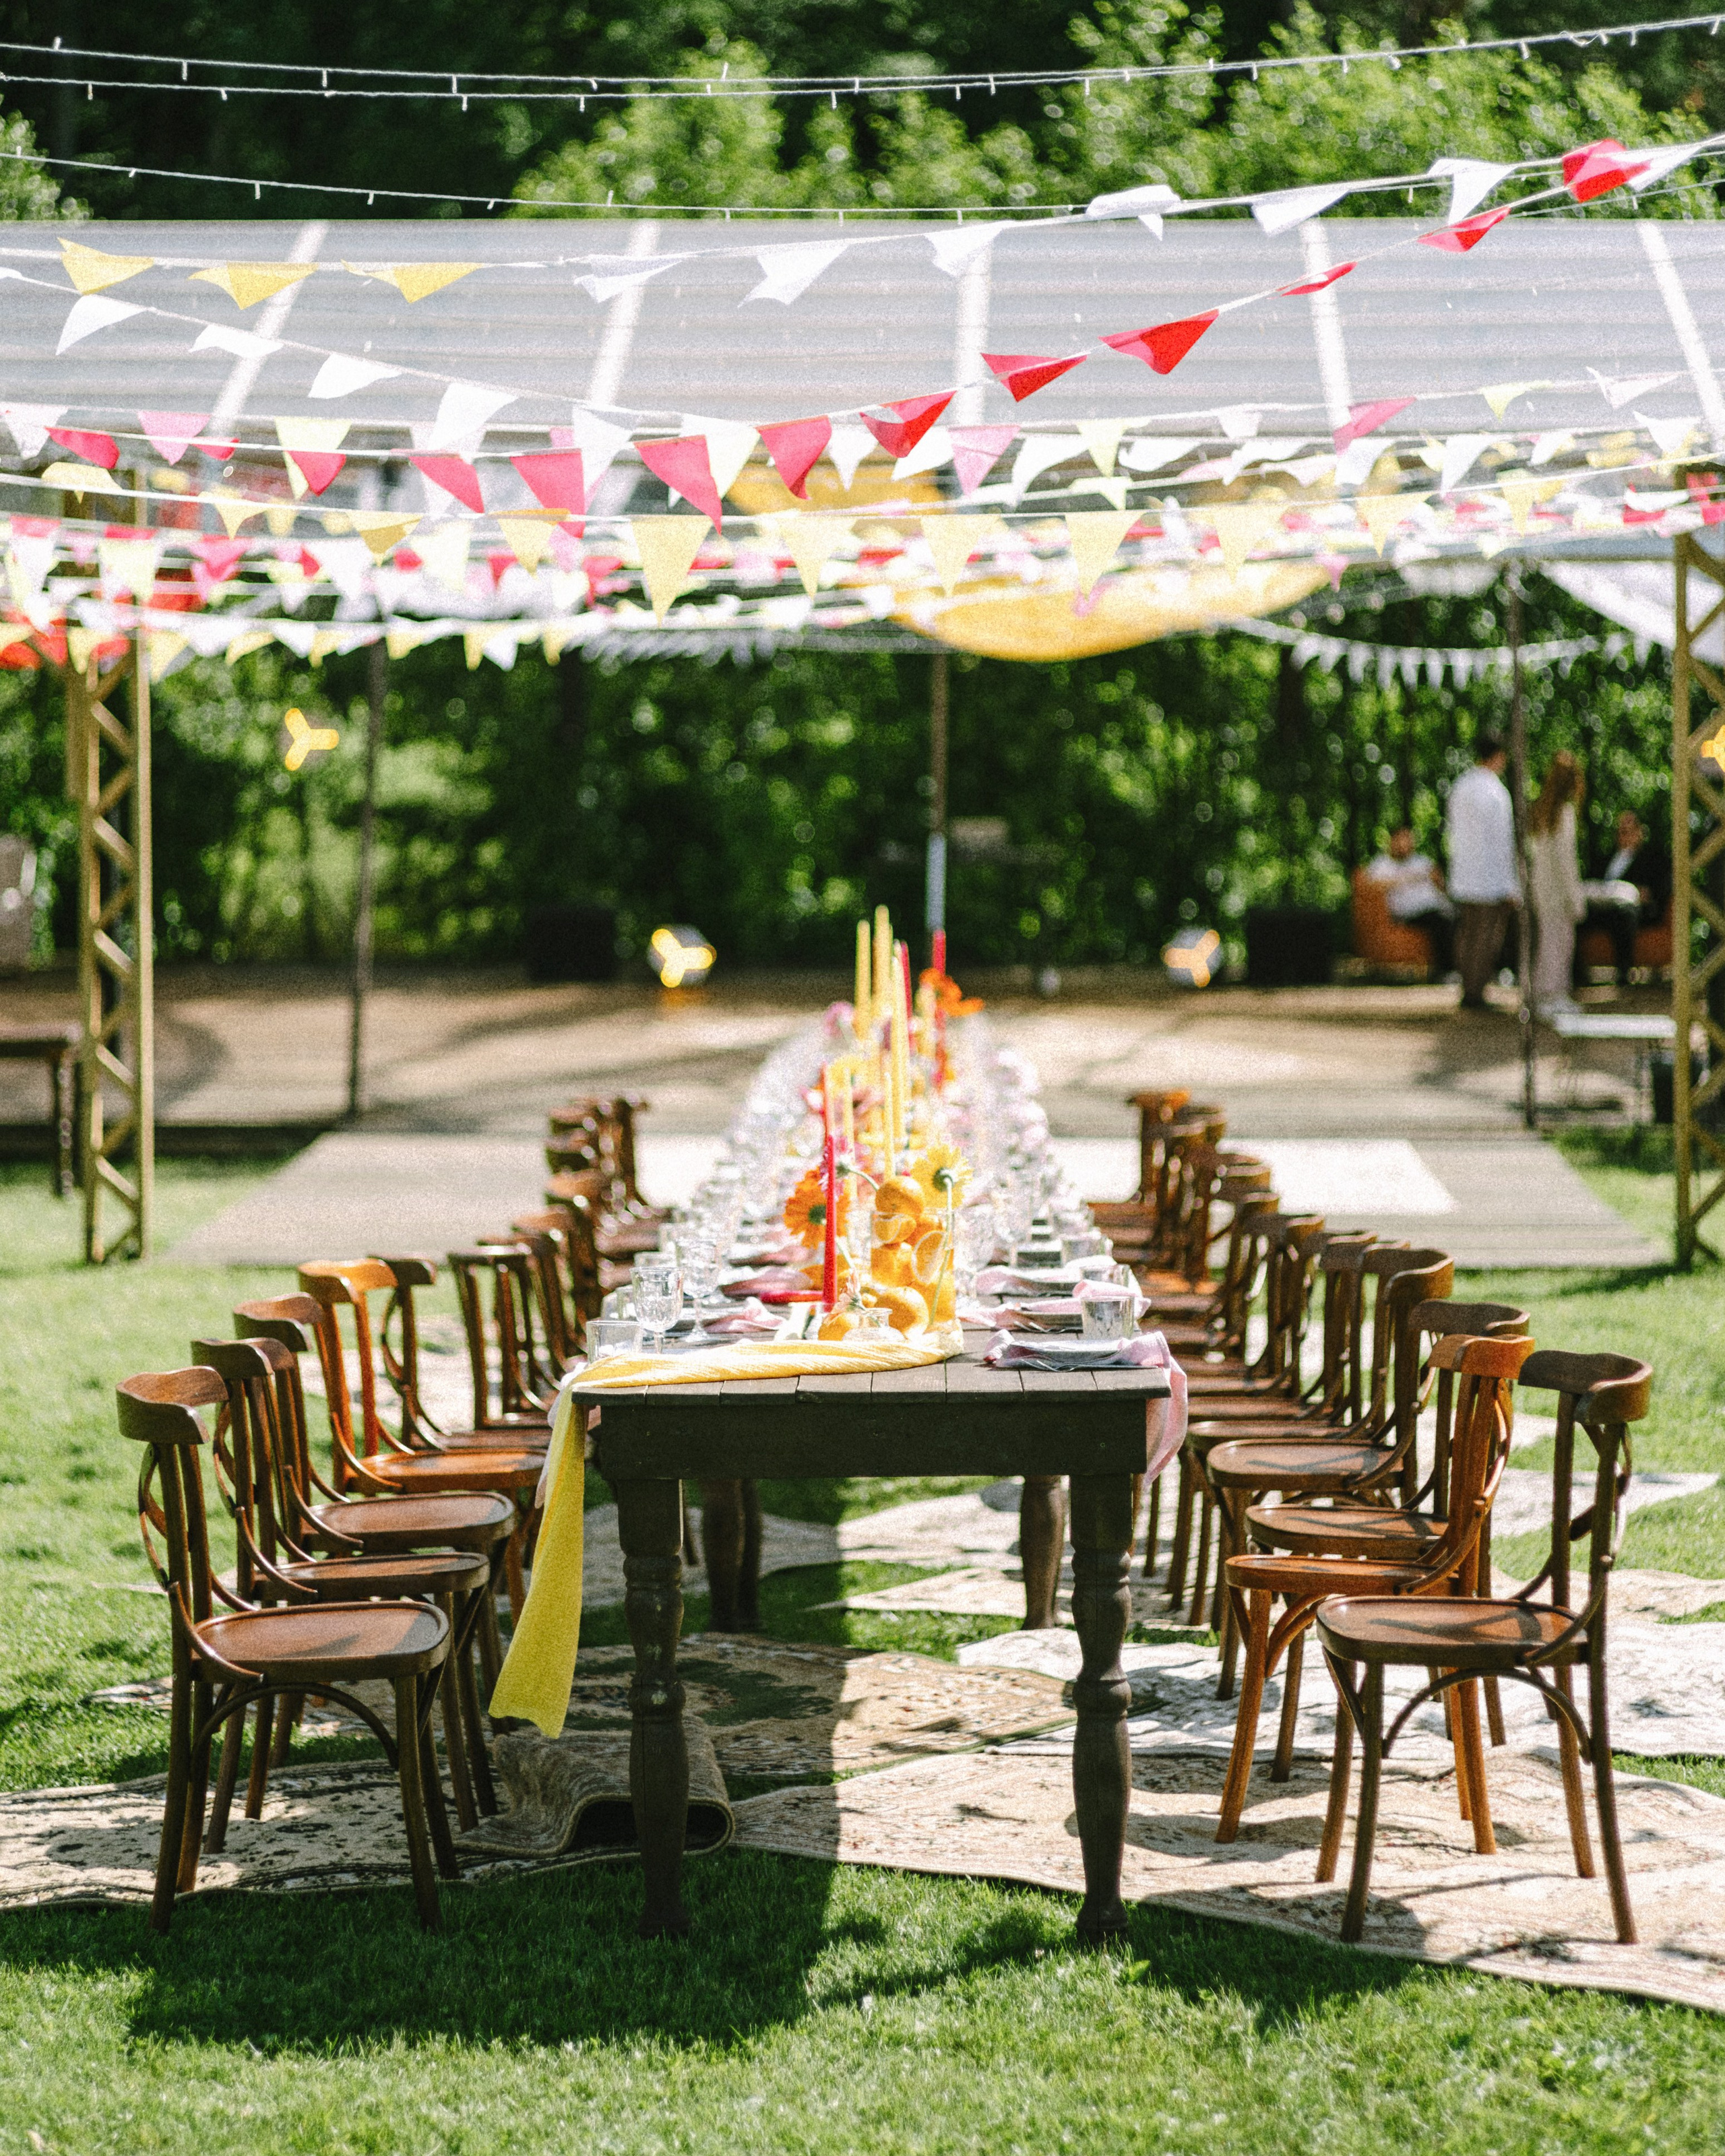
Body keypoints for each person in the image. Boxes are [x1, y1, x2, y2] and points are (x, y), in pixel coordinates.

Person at [1445, 730, 1521, 1009]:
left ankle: (1469, 986)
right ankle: (1476, 991)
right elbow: (1502, 842)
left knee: (1467, 934)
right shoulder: (1495, 792)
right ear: (1498, 756)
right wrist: (1511, 884)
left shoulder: (1460, 786)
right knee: (1486, 937)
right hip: (1489, 879)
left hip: (1465, 876)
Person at [1579, 809, 1671, 983]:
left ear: (1639, 833)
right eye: (1621, 831)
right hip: (1603, 907)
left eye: (1629, 831)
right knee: (1577, 912)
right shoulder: (1605, 858)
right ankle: (1577, 973)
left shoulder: (1651, 859)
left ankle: (1624, 973)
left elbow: (1661, 887)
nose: (1625, 836)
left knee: (1624, 915)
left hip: (1633, 909)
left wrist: (1647, 893)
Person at [1528, 751, 1587, 1013]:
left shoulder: (1541, 812)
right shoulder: (1564, 814)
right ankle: (1555, 995)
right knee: (1560, 944)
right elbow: (1567, 862)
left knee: (1547, 942)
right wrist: (1575, 897)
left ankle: (1542, 994)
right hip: (1558, 893)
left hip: (1542, 889)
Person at [1364, 825, 1454, 977]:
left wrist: (1439, 882)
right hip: (1409, 914)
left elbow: (1441, 886)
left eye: (1409, 841)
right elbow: (1371, 887)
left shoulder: (1422, 861)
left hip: (1439, 906)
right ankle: (1445, 972)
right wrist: (1406, 879)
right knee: (1440, 921)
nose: (1406, 845)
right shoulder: (1381, 864)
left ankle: (1479, 970)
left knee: (1466, 919)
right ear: (1392, 841)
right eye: (1402, 840)